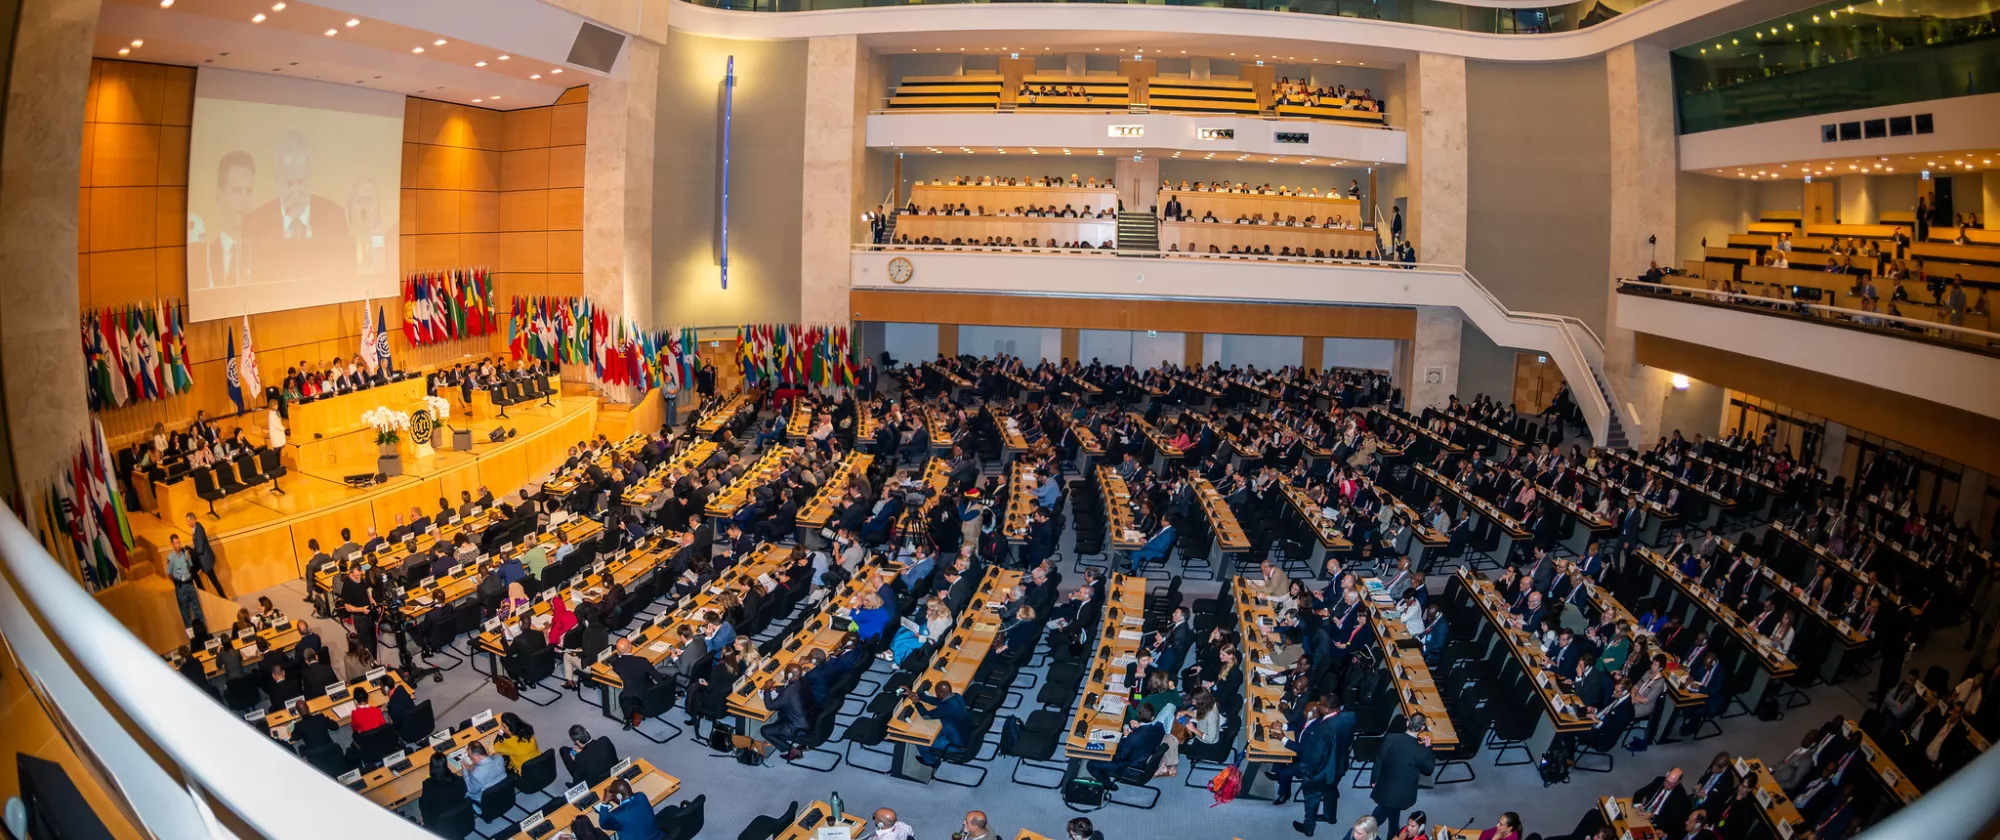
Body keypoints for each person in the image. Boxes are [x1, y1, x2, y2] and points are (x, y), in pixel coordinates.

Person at [1294, 698, 1355, 837]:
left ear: (1327, 708)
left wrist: (1307, 773)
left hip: (1321, 772)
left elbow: (1315, 756)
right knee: (1330, 791)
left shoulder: (1324, 729)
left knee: (1312, 798)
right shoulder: (1348, 716)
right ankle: (1330, 816)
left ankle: (1308, 828)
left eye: (1320, 704)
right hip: (1339, 765)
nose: (1317, 705)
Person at [1370, 715, 1437, 829]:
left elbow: (1379, 759)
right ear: (1422, 728)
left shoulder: (1390, 738)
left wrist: (1374, 779)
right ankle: (1365, 831)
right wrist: (1428, 748)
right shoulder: (1420, 751)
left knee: (1391, 813)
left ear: (1407, 723)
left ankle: (1393, 831)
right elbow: (1428, 770)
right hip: (1400, 793)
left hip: (1386, 785)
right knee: (1378, 817)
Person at [912, 683, 972, 766]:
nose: (936, 694)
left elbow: (926, 716)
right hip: (963, 732)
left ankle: (930, 761)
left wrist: (917, 703)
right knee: (934, 728)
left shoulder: (945, 708)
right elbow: (937, 701)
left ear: (941, 693)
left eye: (937, 692)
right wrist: (920, 695)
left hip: (957, 745)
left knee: (920, 739)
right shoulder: (957, 696)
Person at [594, 778, 662, 840]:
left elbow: (603, 824)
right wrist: (625, 788)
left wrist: (604, 803)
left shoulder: (617, 815)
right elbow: (633, 796)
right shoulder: (641, 796)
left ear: (619, 796)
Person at [164, 534, 204, 631]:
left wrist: (188, 576)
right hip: (181, 587)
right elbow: (169, 574)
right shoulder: (170, 558)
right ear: (172, 544)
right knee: (185, 612)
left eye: (179, 542)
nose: (179, 544)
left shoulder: (184, 553)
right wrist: (177, 581)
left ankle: (203, 631)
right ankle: (192, 635)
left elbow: (190, 565)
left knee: (197, 608)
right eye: (176, 543)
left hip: (189, 584)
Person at [184, 513, 226, 596]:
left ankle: (222, 597)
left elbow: (200, 549)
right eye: (187, 521)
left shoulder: (198, 530)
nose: (188, 523)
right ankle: (203, 590)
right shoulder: (196, 528)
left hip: (205, 561)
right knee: (193, 572)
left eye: (189, 521)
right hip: (203, 560)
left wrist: (191, 551)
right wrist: (190, 549)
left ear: (193, 520)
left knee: (214, 581)